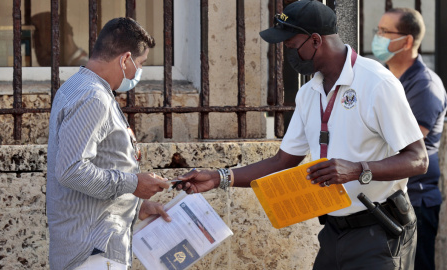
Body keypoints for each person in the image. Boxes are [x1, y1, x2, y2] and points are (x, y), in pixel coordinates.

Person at [175, 1, 429, 269]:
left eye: (291, 45)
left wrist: (357, 169)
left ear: (316, 40)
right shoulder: (309, 92)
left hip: (379, 232)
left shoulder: (377, 83)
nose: (286, 53)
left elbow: (418, 159)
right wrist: (218, 178)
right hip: (333, 232)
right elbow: (281, 162)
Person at [47, 17, 171, 270]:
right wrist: (134, 184)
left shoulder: (79, 87)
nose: (138, 72)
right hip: (93, 252)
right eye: (140, 63)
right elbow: (72, 171)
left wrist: (137, 206)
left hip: (93, 244)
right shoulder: (93, 97)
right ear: (125, 59)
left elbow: (101, 163)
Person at [372, 8, 447, 270]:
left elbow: (404, 144)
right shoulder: (381, 79)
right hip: (383, 197)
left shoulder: (424, 85)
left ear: (406, 41)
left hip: (413, 200)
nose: (378, 38)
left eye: (385, 32)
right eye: (378, 31)